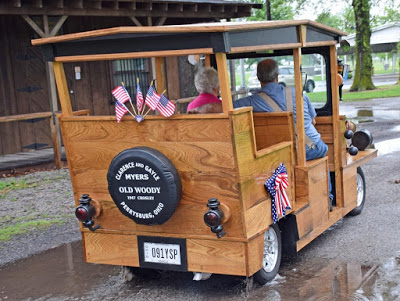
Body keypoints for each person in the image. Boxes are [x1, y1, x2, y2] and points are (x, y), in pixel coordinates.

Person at [233, 59, 334, 206]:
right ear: (277, 76)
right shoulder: (298, 94)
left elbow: (225, 106)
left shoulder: (251, 101)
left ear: (259, 78)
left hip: (279, 153)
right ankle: (328, 198)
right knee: (323, 149)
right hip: (310, 148)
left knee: (280, 160)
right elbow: (313, 121)